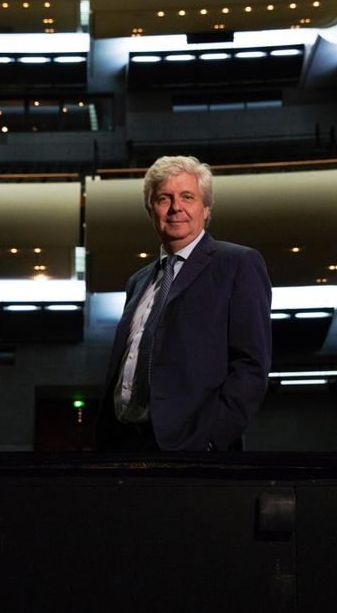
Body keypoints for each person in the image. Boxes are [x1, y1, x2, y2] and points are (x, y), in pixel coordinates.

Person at [94, 155, 272, 451]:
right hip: (126, 443)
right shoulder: (138, 281)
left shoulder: (238, 264)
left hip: (193, 448)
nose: (176, 207)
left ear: (205, 209)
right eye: (164, 198)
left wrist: (213, 439)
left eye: (187, 197)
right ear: (150, 210)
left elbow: (251, 366)